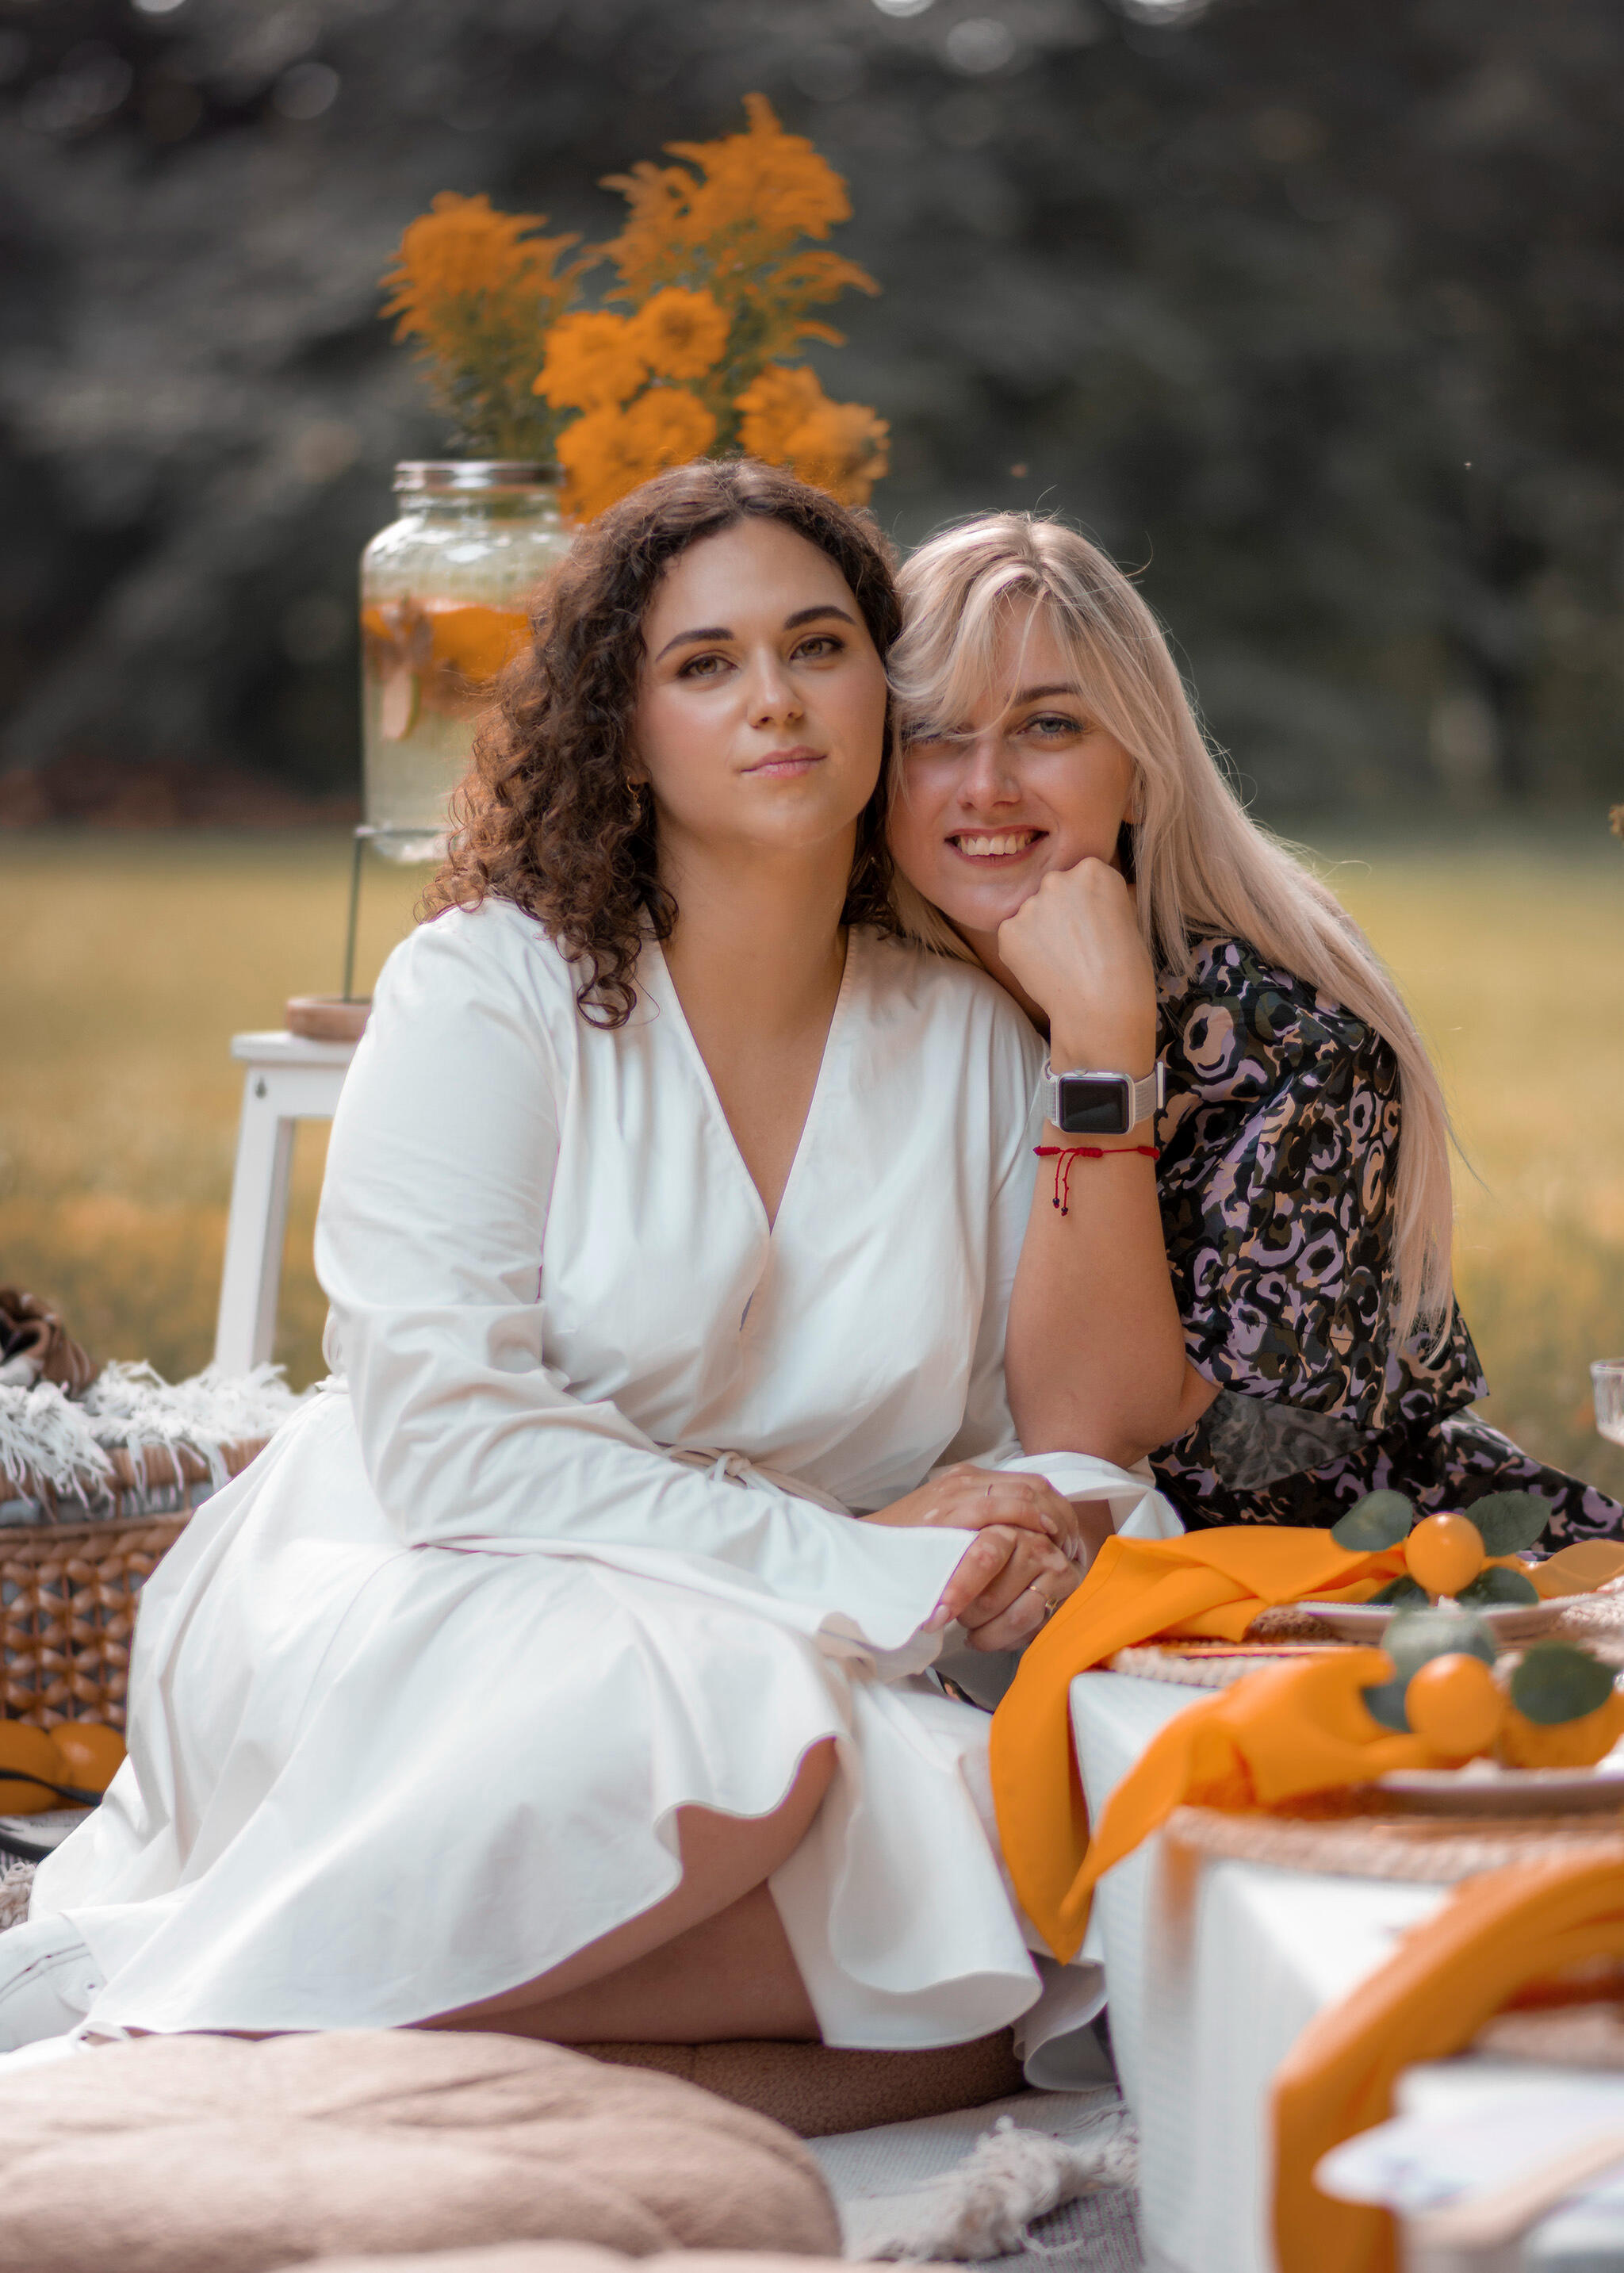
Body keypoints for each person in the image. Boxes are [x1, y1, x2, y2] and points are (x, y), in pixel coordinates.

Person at [0, 463, 1175, 2068]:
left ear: (877, 696)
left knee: (1020, 1836)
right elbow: (452, 1441)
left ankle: (293, 2030)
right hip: (439, 1568)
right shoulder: (487, 992)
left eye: (817, 646)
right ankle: (201, 2005)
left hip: (814, 1631)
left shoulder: (966, 1038)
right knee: (763, 1741)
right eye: (704, 664)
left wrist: (1018, 1539)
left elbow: (1057, 1435)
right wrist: (849, 1556)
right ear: (622, 730)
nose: (773, 697)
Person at [885, 511, 1622, 1545]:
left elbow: (1096, 1439)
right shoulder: (858, 998)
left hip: (1381, 1579)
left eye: (1048, 726)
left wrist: (1100, 1045)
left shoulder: (1295, 1045)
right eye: (933, 731)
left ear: (1139, 769)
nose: (986, 785)